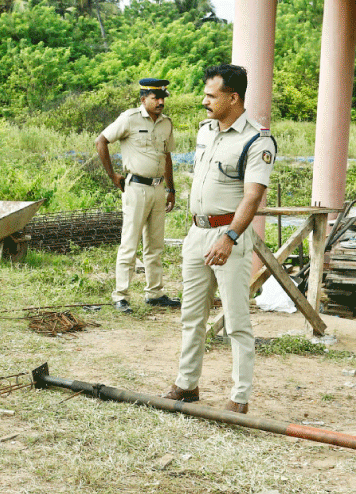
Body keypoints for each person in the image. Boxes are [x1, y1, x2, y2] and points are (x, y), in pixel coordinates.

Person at [163, 64, 276, 414]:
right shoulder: (206, 131)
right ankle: (186, 384)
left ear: (233, 97)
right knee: (191, 315)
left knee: (236, 321)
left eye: (212, 96)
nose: (205, 101)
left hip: (228, 236)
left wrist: (229, 237)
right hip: (197, 233)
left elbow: (252, 197)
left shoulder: (257, 141)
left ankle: (239, 397)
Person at [95, 78, 180, 314]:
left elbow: (167, 157)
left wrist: (171, 189)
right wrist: (112, 175)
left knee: (155, 244)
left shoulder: (166, 123)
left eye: (163, 98)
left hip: (158, 188)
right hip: (136, 188)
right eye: (155, 98)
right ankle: (121, 296)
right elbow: (101, 141)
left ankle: (155, 293)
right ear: (143, 99)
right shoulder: (129, 119)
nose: (161, 102)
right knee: (129, 243)